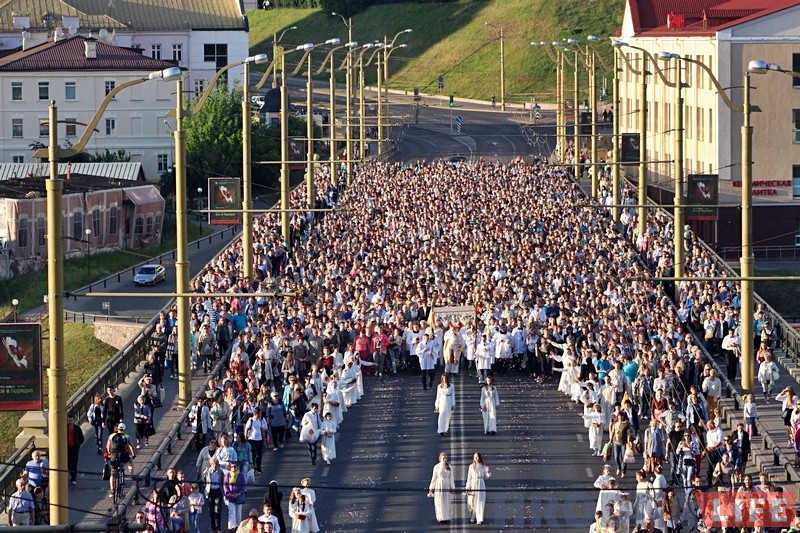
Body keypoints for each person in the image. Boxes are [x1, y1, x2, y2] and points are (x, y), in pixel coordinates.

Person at [105, 422, 135, 497]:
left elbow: (108, 448)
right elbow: (131, 446)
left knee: (112, 473)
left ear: (117, 428)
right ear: (124, 429)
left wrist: (109, 454)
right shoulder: (127, 436)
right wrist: (133, 454)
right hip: (123, 455)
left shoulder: (111, 436)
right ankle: (132, 478)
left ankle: (112, 490)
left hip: (114, 455)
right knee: (130, 461)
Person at [428, 452, 455, 524]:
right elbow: (434, 478)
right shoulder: (436, 467)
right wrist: (431, 488)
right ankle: (440, 518)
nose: (445, 459)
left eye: (446, 458)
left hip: (446, 485)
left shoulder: (450, 467)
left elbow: (451, 478)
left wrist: (452, 487)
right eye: (443, 458)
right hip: (439, 485)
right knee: (439, 502)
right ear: (440, 459)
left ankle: (445, 517)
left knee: (446, 501)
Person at [465, 452, 491, 525]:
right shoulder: (471, 467)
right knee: (472, 502)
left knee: (480, 501)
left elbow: (486, 476)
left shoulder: (483, 466)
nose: (476, 458)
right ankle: (472, 516)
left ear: (479, 457)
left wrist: (488, 471)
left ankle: (479, 518)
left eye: (477, 457)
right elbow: (469, 478)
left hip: (481, 484)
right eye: (475, 457)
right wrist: (467, 488)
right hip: (473, 484)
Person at [224, 463, 247, 533]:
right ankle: (232, 527)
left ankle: (238, 527)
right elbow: (225, 485)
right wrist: (228, 493)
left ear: (237, 467)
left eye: (235, 466)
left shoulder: (241, 475)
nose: (233, 468)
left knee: (238, 513)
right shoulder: (227, 475)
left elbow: (243, 485)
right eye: (232, 466)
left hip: (239, 496)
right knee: (232, 512)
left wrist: (239, 493)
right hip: (230, 497)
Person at [245, 407, 268, 473]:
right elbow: (246, 429)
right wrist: (246, 439)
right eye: (260, 413)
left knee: (259, 454)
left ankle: (258, 467)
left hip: (259, 439)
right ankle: (253, 468)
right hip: (251, 439)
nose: (261, 415)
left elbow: (262, 430)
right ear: (256, 414)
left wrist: (264, 440)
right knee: (253, 454)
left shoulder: (260, 421)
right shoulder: (251, 420)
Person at [204, 458, 224, 533]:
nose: (215, 466)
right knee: (211, 511)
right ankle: (213, 527)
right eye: (213, 464)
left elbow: (223, 481)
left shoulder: (221, 472)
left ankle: (218, 527)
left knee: (217, 510)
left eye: (216, 464)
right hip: (210, 492)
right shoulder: (207, 472)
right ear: (211, 464)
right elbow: (204, 481)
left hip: (218, 491)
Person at [66, 413, 84, 485]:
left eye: (71, 420)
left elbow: (81, 438)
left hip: (74, 449)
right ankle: (72, 474)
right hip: (67, 448)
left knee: (74, 463)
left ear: (74, 420)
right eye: (69, 420)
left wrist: (77, 445)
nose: (70, 422)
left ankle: (74, 478)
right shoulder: (65, 428)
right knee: (68, 464)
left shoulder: (77, 428)